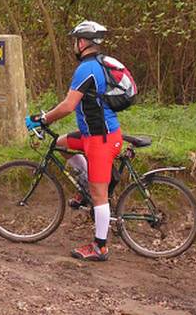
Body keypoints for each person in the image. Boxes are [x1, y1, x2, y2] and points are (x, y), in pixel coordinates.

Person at [25, 20, 123, 261]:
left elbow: (69, 106)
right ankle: (85, 182)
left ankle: (100, 247)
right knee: (60, 144)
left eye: (75, 41)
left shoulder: (86, 69)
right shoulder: (99, 64)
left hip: (102, 139)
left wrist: (43, 119)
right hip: (94, 136)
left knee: (99, 194)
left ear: (82, 42)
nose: (73, 46)